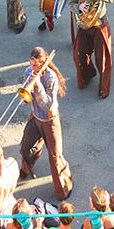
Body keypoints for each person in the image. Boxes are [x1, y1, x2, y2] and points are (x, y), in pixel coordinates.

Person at [19, 46, 73, 200]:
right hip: (35, 116)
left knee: (55, 157)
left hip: (50, 120)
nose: (32, 68)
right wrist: (26, 93)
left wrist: (38, 87)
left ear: (43, 64)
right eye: (31, 63)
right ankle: (26, 168)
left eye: (36, 65)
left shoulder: (50, 77)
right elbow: (26, 96)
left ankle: (64, 187)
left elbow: (48, 105)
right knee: (25, 145)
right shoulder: (28, 72)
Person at [69, 0, 114, 99]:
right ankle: (88, 74)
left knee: (102, 59)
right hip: (84, 23)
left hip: (99, 25)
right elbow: (71, 2)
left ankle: (104, 89)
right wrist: (78, 7)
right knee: (79, 54)